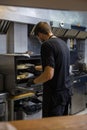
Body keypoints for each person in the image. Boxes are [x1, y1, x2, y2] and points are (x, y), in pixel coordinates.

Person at [27, 21, 71, 117]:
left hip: (54, 96)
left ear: (40, 34)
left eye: (38, 36)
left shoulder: (47, 45)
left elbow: (48, 74)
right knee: (60, 125)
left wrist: (34, 81)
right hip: (65, 93)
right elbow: (56, 65)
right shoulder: (63, 44)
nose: (39, 39)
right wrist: (35, 68)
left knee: (50, 126)